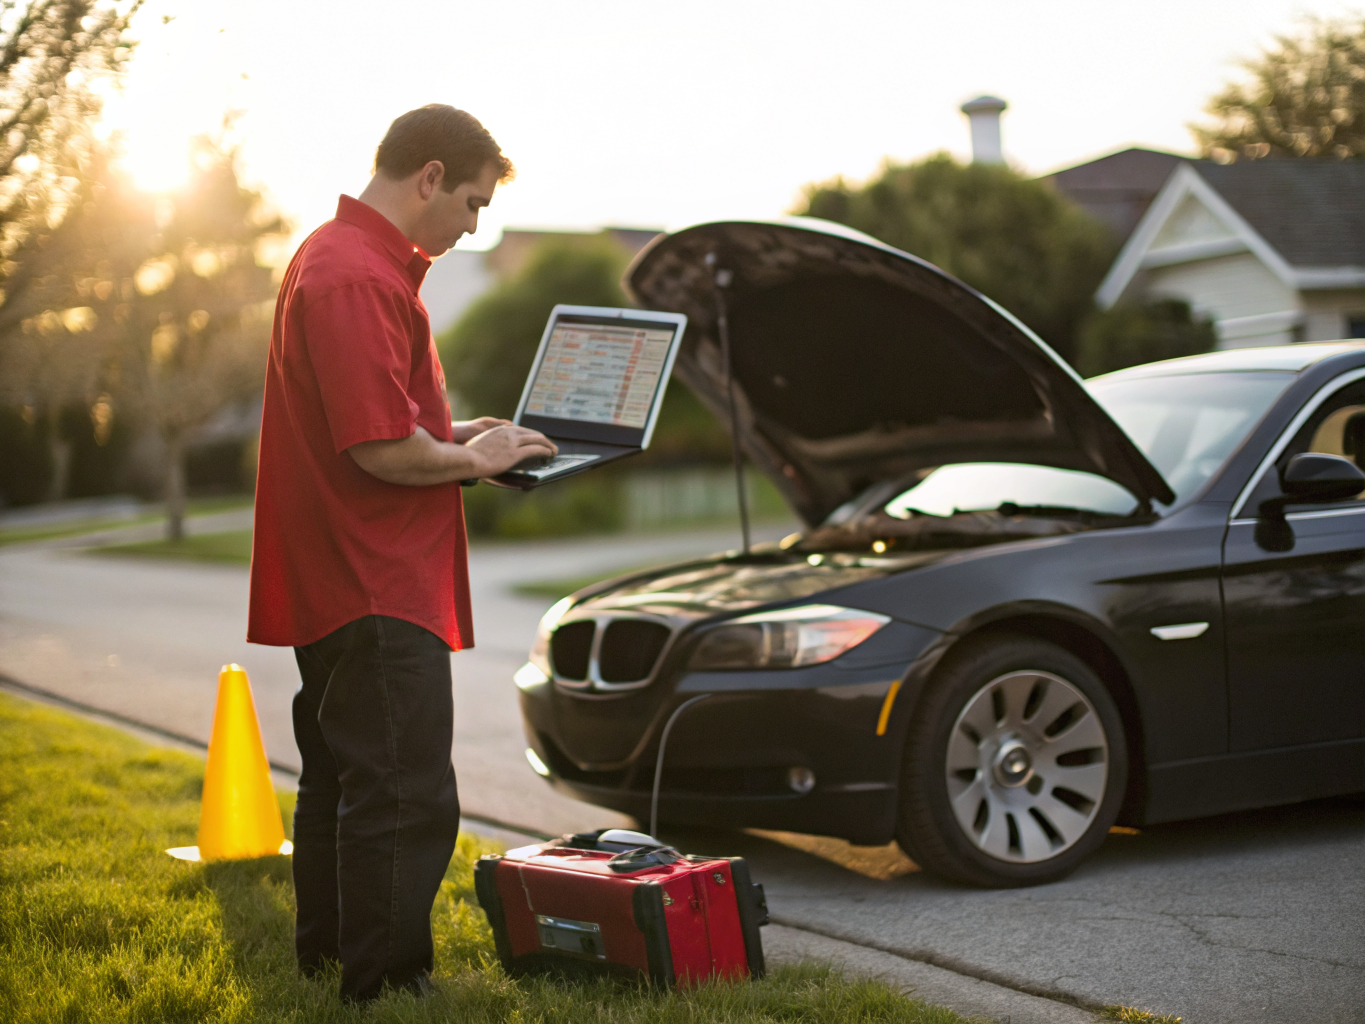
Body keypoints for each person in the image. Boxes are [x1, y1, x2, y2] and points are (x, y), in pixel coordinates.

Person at [247, 104, 557, 1002]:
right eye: (471, 202)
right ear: (428, 177)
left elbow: (381, 419)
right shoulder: (354, 275)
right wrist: (467, 459)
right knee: (404, 793)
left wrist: (474, 440)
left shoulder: (341, 258)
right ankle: (383, 986)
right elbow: (379, 451)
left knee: (343, 780)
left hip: (343, 575)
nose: (472, 225)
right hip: (372, 580)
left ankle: (326, 958)